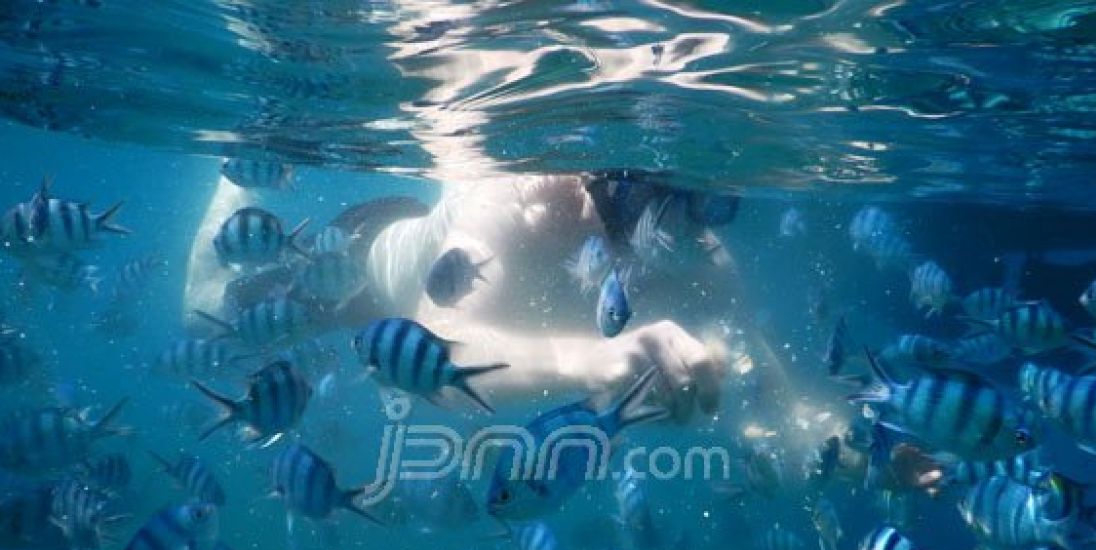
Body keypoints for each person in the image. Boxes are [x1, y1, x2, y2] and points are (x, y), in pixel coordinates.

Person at [185, 170, 783, 421]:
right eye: (643, 195)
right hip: (369, 267)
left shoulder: (692, 246)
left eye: (696, 202)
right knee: (205, 315)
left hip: (426, 247)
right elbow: (442, 340)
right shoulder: (521, 202)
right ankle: (233, 180)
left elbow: (783, 397)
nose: (673, 222)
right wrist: (601, 359)